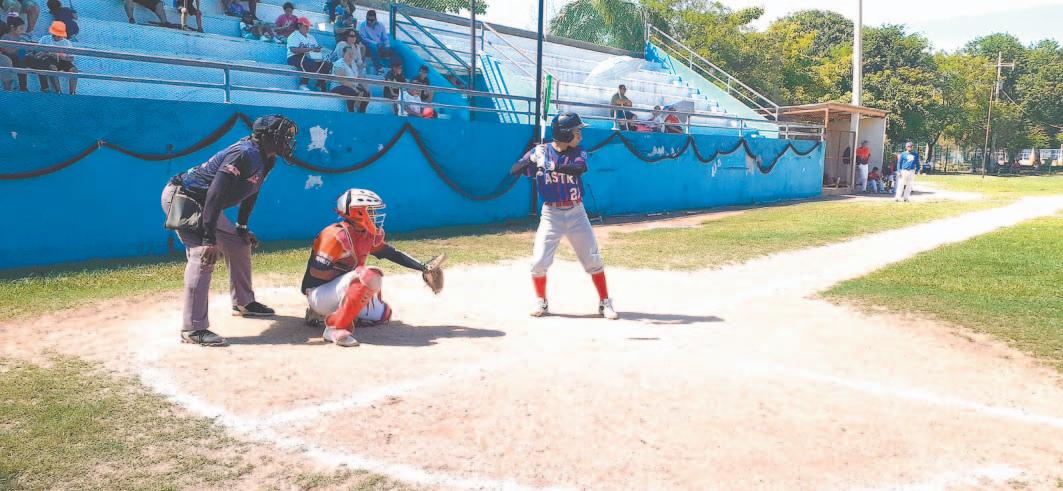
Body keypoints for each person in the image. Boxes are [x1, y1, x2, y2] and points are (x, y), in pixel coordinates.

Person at [160, 115, 298, 346]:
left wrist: (242, 227)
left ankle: (243, 303)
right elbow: (215, 193)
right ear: (266, 137)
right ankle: (193, 329)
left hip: (207, 204)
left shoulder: (267, 159)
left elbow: (252, 191)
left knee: (238, 244)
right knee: (202, 255)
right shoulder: (243, 154)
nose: (288, 141)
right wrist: (208, 238)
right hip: (185, 198)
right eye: (283, 136)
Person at [301, 189, 445, 347]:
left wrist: (423, 267)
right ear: (358, 212)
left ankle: (328, 314)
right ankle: (334, 328)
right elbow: (317, 272)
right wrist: (352, 276)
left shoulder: (366, 235)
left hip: (341, 290)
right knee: (369, 276)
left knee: (383, 314)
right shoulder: (334, 235)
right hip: (318, 293)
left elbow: (392, 253)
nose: (375, 215)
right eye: (370, 211)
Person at [509, 112, 619, 320]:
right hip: (551, 214)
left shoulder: (578, 152)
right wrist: (531, 158)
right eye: (576, 131)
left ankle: (605, 302)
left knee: (592, 260)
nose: (580, 135)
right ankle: (541, 301)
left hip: (576, 212)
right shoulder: (541, 152)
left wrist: (552, 166)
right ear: (564, 133)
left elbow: (579, 168)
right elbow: (513, 170)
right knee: (538, 262)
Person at [286, 16, 330, 91]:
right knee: (309, 63)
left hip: (310, 56)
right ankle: (303, 84)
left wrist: (318, 49)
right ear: (299, 25)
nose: (307, 28)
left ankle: (320, 84)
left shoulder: (311, 37)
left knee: (326, 64)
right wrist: (309, 49)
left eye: (308, 26)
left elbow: (315, 48)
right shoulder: (294, 35)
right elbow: (293, 50)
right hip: (294, 57)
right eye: (305, 26)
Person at [32, 20, 76, 94]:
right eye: (55, 35)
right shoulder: (45, 39)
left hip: (63, 61)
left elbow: (71, 58)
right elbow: (37, 52)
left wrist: (60, 57)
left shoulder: (67, 43)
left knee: (74, 70)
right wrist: (47, 53)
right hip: (49, 60)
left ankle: (72, 93)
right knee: (52, 68)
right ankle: (58, 91)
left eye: (59, 35)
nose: (57, 37)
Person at [330, 45, 368, 112]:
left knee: (366, 94)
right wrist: (355, 88)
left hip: (352, 86)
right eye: (349, 53)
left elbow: (358, 77)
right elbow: (342, 81)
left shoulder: (353, 64)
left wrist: (363, 88)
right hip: (338, 86)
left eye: (352, 54)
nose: (351, 55)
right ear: (344, 54)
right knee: (352, 92)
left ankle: (362, 112)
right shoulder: (339, 63)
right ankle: (350, 111)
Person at [356, 9, 390, 74]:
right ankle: (379, 68)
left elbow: (385, 37)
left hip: (379, 45)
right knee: (373, 47)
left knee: (394, 50)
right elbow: (363, 38)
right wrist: (376, 43)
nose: (369, 22)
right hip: (368, 44)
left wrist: (387, 46)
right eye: (368, 19)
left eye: (371, 20)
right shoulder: (363, 25)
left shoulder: (381, 25)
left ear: (375, 19)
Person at [0, 15, 28, 91]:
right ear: (12, 28)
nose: (22, 31)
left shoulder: (20, 37)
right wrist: (20, 48)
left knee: (24, 61)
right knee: (21, 59)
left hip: (19, 58)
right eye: (20, 28)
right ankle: (22, 87)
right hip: (9, 56)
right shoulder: (5, 37)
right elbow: (8, 50)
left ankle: (23, 87)